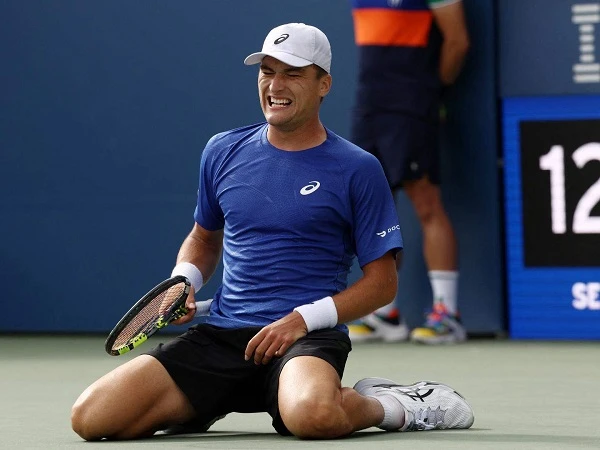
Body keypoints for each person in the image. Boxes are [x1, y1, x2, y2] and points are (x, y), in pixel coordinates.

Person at [70, 23, 473, 441]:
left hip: (305, 339)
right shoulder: (222, 151)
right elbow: (203, 239)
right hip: (221, 337)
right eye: (267, 71)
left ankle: (396, 404)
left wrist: (302, 319)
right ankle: (202, 402)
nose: (275, 85)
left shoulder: (358, 168)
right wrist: (184, 281)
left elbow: (383, 284)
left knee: (314, 417)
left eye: (293, 74)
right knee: (92, 418)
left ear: (324, 84)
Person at [347, 0, 471, 345]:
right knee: (374, 209)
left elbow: (458, 42)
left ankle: (447, 314)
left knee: (426, 203)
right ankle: (383, 313)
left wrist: (429, 94)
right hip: (370, 103)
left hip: (412, 104)